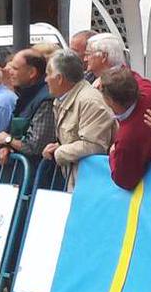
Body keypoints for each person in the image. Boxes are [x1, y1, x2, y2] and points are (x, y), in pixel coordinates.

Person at [42, 50, 115, 190]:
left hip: (93, 185)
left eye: (48, 74)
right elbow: (76, 139)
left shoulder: (89, 101)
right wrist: (59, 146)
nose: (45, 80)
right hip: (78, 182)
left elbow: (95, 146)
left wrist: (59, 152)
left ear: (59, 78)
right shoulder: (62, 99)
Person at [99, 67, 151, 190]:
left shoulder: (126, 138)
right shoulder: (148, 89)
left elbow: (124, 180)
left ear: (110, 100)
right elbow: (128, 72)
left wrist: (113, 153)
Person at [0, 50, 55, 168]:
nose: (10, 72)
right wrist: (7, 147)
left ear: (32, 72)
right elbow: (19, 134)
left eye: (15, 69)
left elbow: (36, 146)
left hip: (39, 176)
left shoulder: (45, 100)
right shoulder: (26, 95)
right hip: (22, 173)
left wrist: (7, 140)